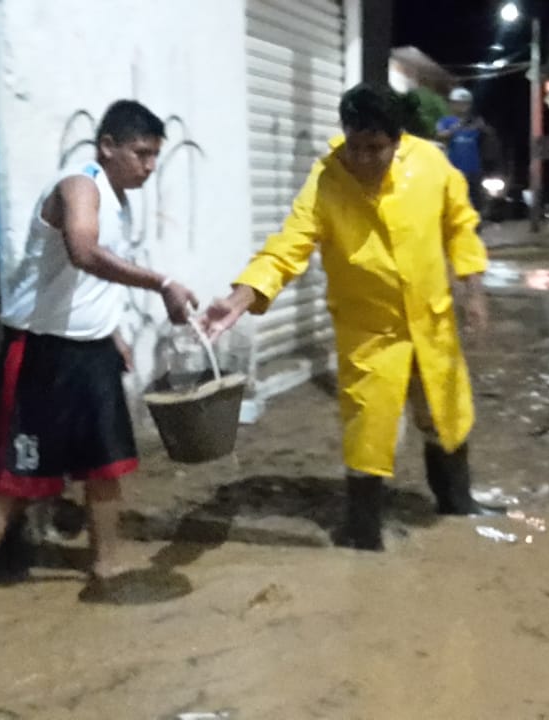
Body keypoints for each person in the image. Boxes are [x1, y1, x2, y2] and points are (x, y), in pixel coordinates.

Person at [203, 84, 501, 552]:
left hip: (431, 319)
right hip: (370, 329)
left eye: (375, 149)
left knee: (444, 412)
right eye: (355, 146)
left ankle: (457, 501)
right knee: (369, 426)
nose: (362, 159)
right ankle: (363, 530)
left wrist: (474, 290)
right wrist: (243, 296)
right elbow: (288, 245)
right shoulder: (326, 180)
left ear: (397, 141)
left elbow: (460, 225)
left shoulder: (431, 165)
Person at [0, 100, 199, 609]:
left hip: (92, 352)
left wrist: (111, 333)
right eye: (141, 153)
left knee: (105, 467)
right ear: (107, 146)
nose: (149, 166)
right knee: (10, 475)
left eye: (155, 156)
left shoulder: (118, 196)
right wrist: (163, 282)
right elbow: (83, 253)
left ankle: (105, 561)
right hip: (40, 351)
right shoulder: (79, 185)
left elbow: (88, 284)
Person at [436, 87, 487, 214]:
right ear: (452, 104)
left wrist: (481, 127)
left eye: (466, 103)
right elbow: (440, 135)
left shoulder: (475, 121)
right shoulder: (445, 121)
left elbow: (487, 137)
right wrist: (456, 127)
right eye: (458, 103)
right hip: (454, 167)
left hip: (474, 167)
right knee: (455, 198)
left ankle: (475, 223)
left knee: (475, 198)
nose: (462, 106)